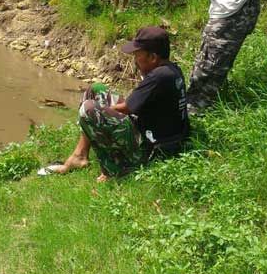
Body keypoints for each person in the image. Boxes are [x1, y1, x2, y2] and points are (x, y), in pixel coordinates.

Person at [40, 27, 189, 182]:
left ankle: (115, 169)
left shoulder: (158, 77)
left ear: (152, 57)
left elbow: (126, 108)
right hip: (156, 132)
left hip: (152, 148)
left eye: (137, 55)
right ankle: (80, 155)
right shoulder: (171, 70)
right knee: (95, 90)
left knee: (89, 110)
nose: (135, 60)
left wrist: (100, 114)